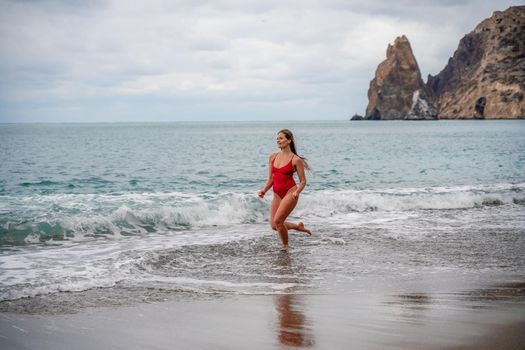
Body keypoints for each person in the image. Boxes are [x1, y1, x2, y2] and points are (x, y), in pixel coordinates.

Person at [258, 129, 311, 251]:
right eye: (277, 138)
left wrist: (297, 192)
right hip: (277, 194)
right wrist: (264, 190)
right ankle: (298, 227)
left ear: (289, 140)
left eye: (281, 138)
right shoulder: (273, 157)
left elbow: (303, 181)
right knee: (274, 225)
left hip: (290, 193)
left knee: (278, 221)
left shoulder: (295, 159)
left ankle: (285, 246)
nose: (278, 140)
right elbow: (271, 178)